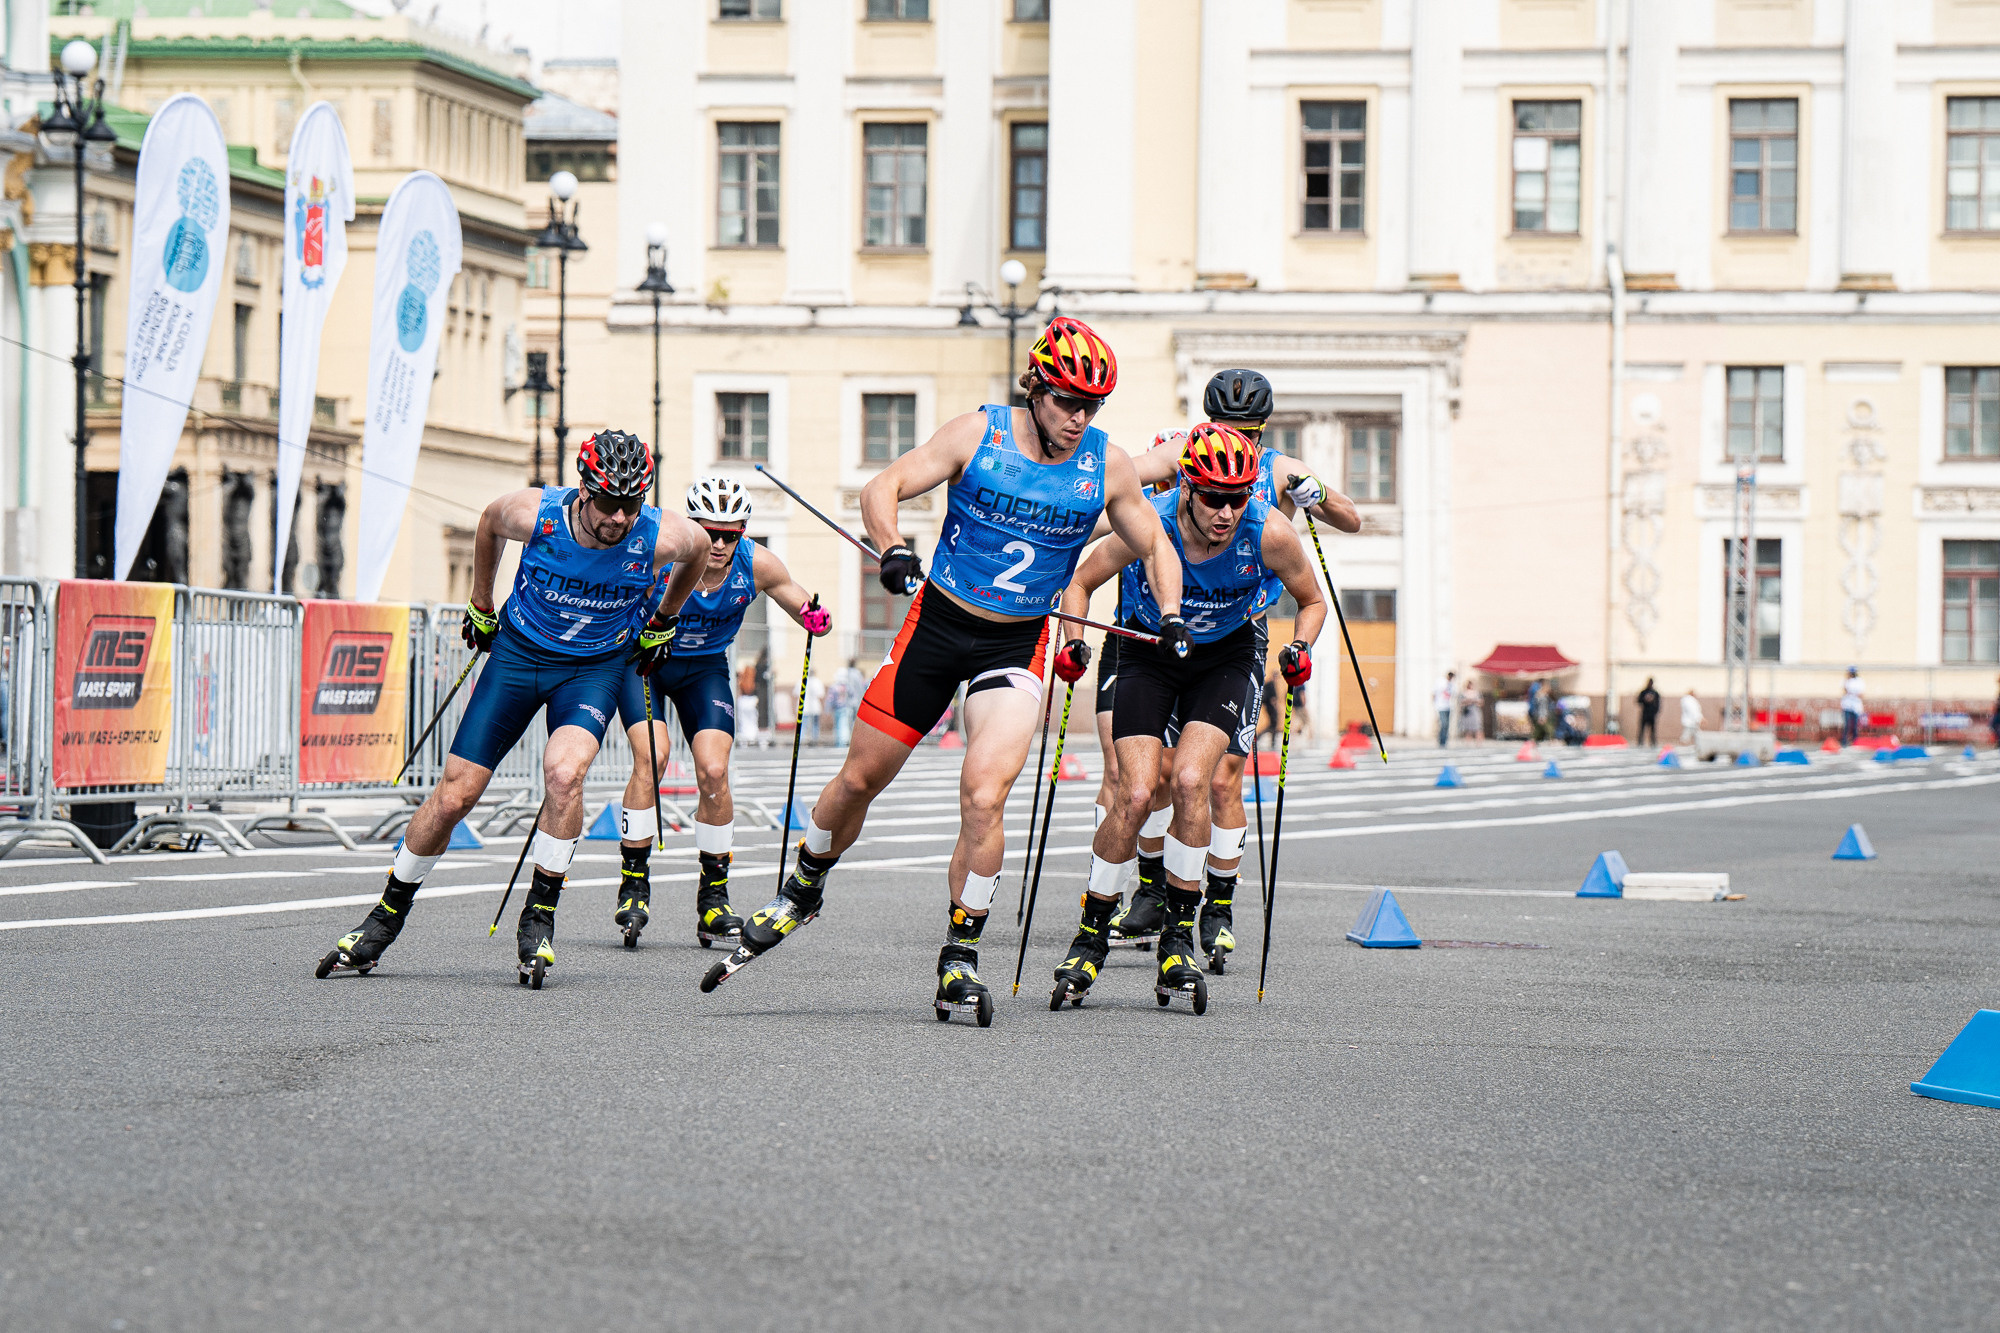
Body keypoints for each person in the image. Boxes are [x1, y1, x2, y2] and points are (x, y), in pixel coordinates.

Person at [698, 315, 1184, 1029]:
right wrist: (892, 546)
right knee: (860, 778)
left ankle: (960, 953)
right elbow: (882, 488)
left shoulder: (1105, 465)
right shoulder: (977, 434)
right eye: (1067, 402)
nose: (1078, 417)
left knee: (985, 795)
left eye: (1091, 406)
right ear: (1036, 387)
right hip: (937, 626)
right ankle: (804, 886)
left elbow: (1156, 543)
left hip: (1015, 646)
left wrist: (1170, 612)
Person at [314, 430, 709, 985]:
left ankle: (540, 916)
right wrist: (480, 600)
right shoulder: (536, 514)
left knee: (565, 774)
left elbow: (696, 552)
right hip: (518, 658)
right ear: (584, 488)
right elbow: (487, 523)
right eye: (609, 503)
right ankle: (384, 917)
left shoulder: (658, 534)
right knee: (456, 796)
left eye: (632, 503)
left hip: (592, 669)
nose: (620, 518)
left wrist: (665, 617)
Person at [1049, 423, 1326, 1010]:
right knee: (1135, 792)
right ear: (1186, 490)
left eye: (1238, 498)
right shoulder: (1151, 522)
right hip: (1149, 649)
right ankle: (1091, 933)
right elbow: (1080, 583)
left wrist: (1300, 648)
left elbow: (1312, 600)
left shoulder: (1268, 531)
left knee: (1193, 779)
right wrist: (1072, 643)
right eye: (1213, 498)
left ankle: (1178, 936)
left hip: (1224, 656)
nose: (1226, 512)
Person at [1102, 368, 1359, 960]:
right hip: (1162, 627)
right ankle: (1150, 893)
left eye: (1247, 430)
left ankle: (1217, 905)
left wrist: (1314, 496)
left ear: (1262, 430)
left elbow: (1350, 520)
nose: (1235, 438)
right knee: (1150, 776)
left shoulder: (1280, 470)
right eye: (1223, 427)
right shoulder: (1184, 451)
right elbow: (1114, 487)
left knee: (1218, 777)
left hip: (1236, 630)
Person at [610, 476, 831, 950]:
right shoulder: (663, 554)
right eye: (710, 532)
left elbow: (800, 601)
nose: (720, 544)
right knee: (653, 756)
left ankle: (714, 898)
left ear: (743, 533)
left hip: (704, 669)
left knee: (713, 771)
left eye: (731, 534)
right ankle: (634, 885)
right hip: (646, 663)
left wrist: (816, 618)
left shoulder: (757, 564)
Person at [832, 658, 865, 747]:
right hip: (856, 700)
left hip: (847, 702)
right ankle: (854, 740)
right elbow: (860, 687)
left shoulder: (846, 673)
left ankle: (848, 739)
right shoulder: (858, 674)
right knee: (854, 721)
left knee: (846, 721)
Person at [735, 659, 760, 747]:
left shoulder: (743, 679)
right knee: (752, 719)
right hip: (751, 700)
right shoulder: (752, 680)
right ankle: (752, 736)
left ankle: (745, 736)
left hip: (743, 700)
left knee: (743, 719)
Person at [1840, 666, 1866, 746]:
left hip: (1856, 706)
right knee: (1847, 724)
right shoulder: (1846, 681)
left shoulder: (1859, 681)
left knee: (1855, 725)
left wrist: (1853, 693)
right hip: (1847, 705)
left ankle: (1855, 740)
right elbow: (1844, 690)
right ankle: (1844, 740)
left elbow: (1861, 694)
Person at [1636, 677, 1662, 747]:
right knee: (1642, 728)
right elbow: (1638, 701)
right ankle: (1640, 742)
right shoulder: (1643, 692)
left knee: (1653, 729)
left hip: (1652, 713)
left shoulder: (1655, 693)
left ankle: (1653, 742)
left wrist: (1656, 711)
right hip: (1645, 713)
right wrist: (1645, 699)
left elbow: (1658, 703)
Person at [803, 670, 826, 745]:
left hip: (805, 707)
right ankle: (814, 739)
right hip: (815, 707)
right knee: (815, 724)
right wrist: (823, 707)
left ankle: (802, 740)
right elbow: (821, 696)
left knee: (804, 724)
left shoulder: (801, 681)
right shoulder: (818, 682)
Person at [1458, 678, 1484, 743]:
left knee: (1477, 727)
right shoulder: (1463, 693)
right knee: (1467, 728)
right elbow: (1460, 702)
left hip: (1475, 711)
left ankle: (1479, 741)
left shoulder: (1477, 693)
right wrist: (1467, 701)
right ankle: (1468, 741)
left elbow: (1481, 702)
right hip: (1467, 712)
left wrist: (1474, 701)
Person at [1434, 670, 1456, 748]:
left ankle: (1444, 741)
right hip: (1441, 706)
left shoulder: (1452, 684)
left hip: (1448, 706)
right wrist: (1435, 704)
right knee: (1443, 723)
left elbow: (1453, 695)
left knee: (1447, 725)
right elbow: (1434, 693)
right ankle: (1441, 740)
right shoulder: (1441, 682)